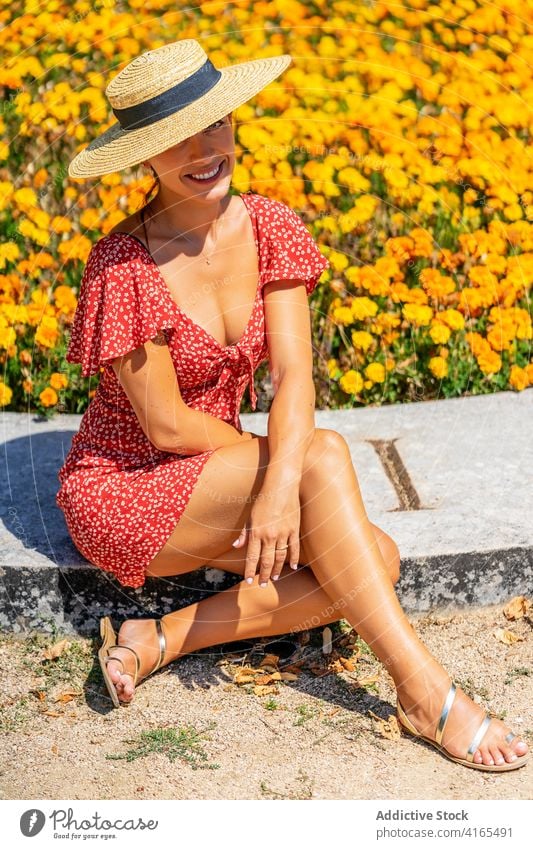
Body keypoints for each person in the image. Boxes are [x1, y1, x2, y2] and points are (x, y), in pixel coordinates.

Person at [56, 39, 528, 773]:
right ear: (142, 159)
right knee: (323, 457)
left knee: (378, 557)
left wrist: (276, 484)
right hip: (128, 484)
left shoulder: (268, 227)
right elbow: (165, 424)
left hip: (225, 471)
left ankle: (161, 636)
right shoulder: (122, 266)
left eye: (215, 124)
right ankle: (422, 688)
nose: (204, 149)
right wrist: (279, 478)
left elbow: (296, 378)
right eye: (176, 139)